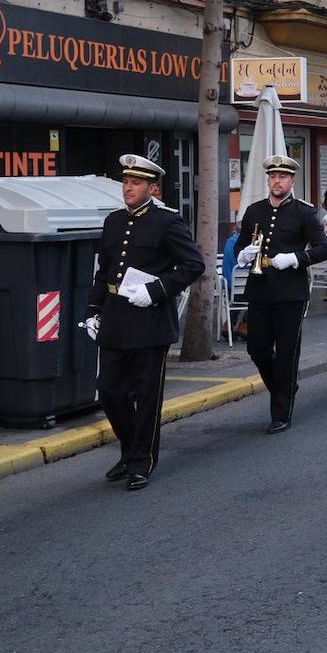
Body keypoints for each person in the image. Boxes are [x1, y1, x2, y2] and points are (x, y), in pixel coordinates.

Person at [84, 155, 205, 490]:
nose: (128, 188)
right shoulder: (112, 221)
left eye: (135, 183)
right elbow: (103, 271)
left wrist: (157, 289)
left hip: (149, 320)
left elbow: (193, 264)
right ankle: (129, 447)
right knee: (109, 390)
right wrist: (92, 311)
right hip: (115, 318)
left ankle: (141, 460)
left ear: (153, 188)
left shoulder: (168, 221)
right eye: (125, 182)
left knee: (147, 394)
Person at [234, 155, 327, 433]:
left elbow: (323, 248)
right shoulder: (254, 211)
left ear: (291, 181)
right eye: (273, 177)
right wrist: (242, 254)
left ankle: (281, 411)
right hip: (260, 288)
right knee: (257, 349)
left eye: (282, 177)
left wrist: (295, 258)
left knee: (287, 352)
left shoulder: (304, 212)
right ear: (268, 179)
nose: (277, 181)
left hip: (291, 290)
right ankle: (284, 385)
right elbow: (240, 246)